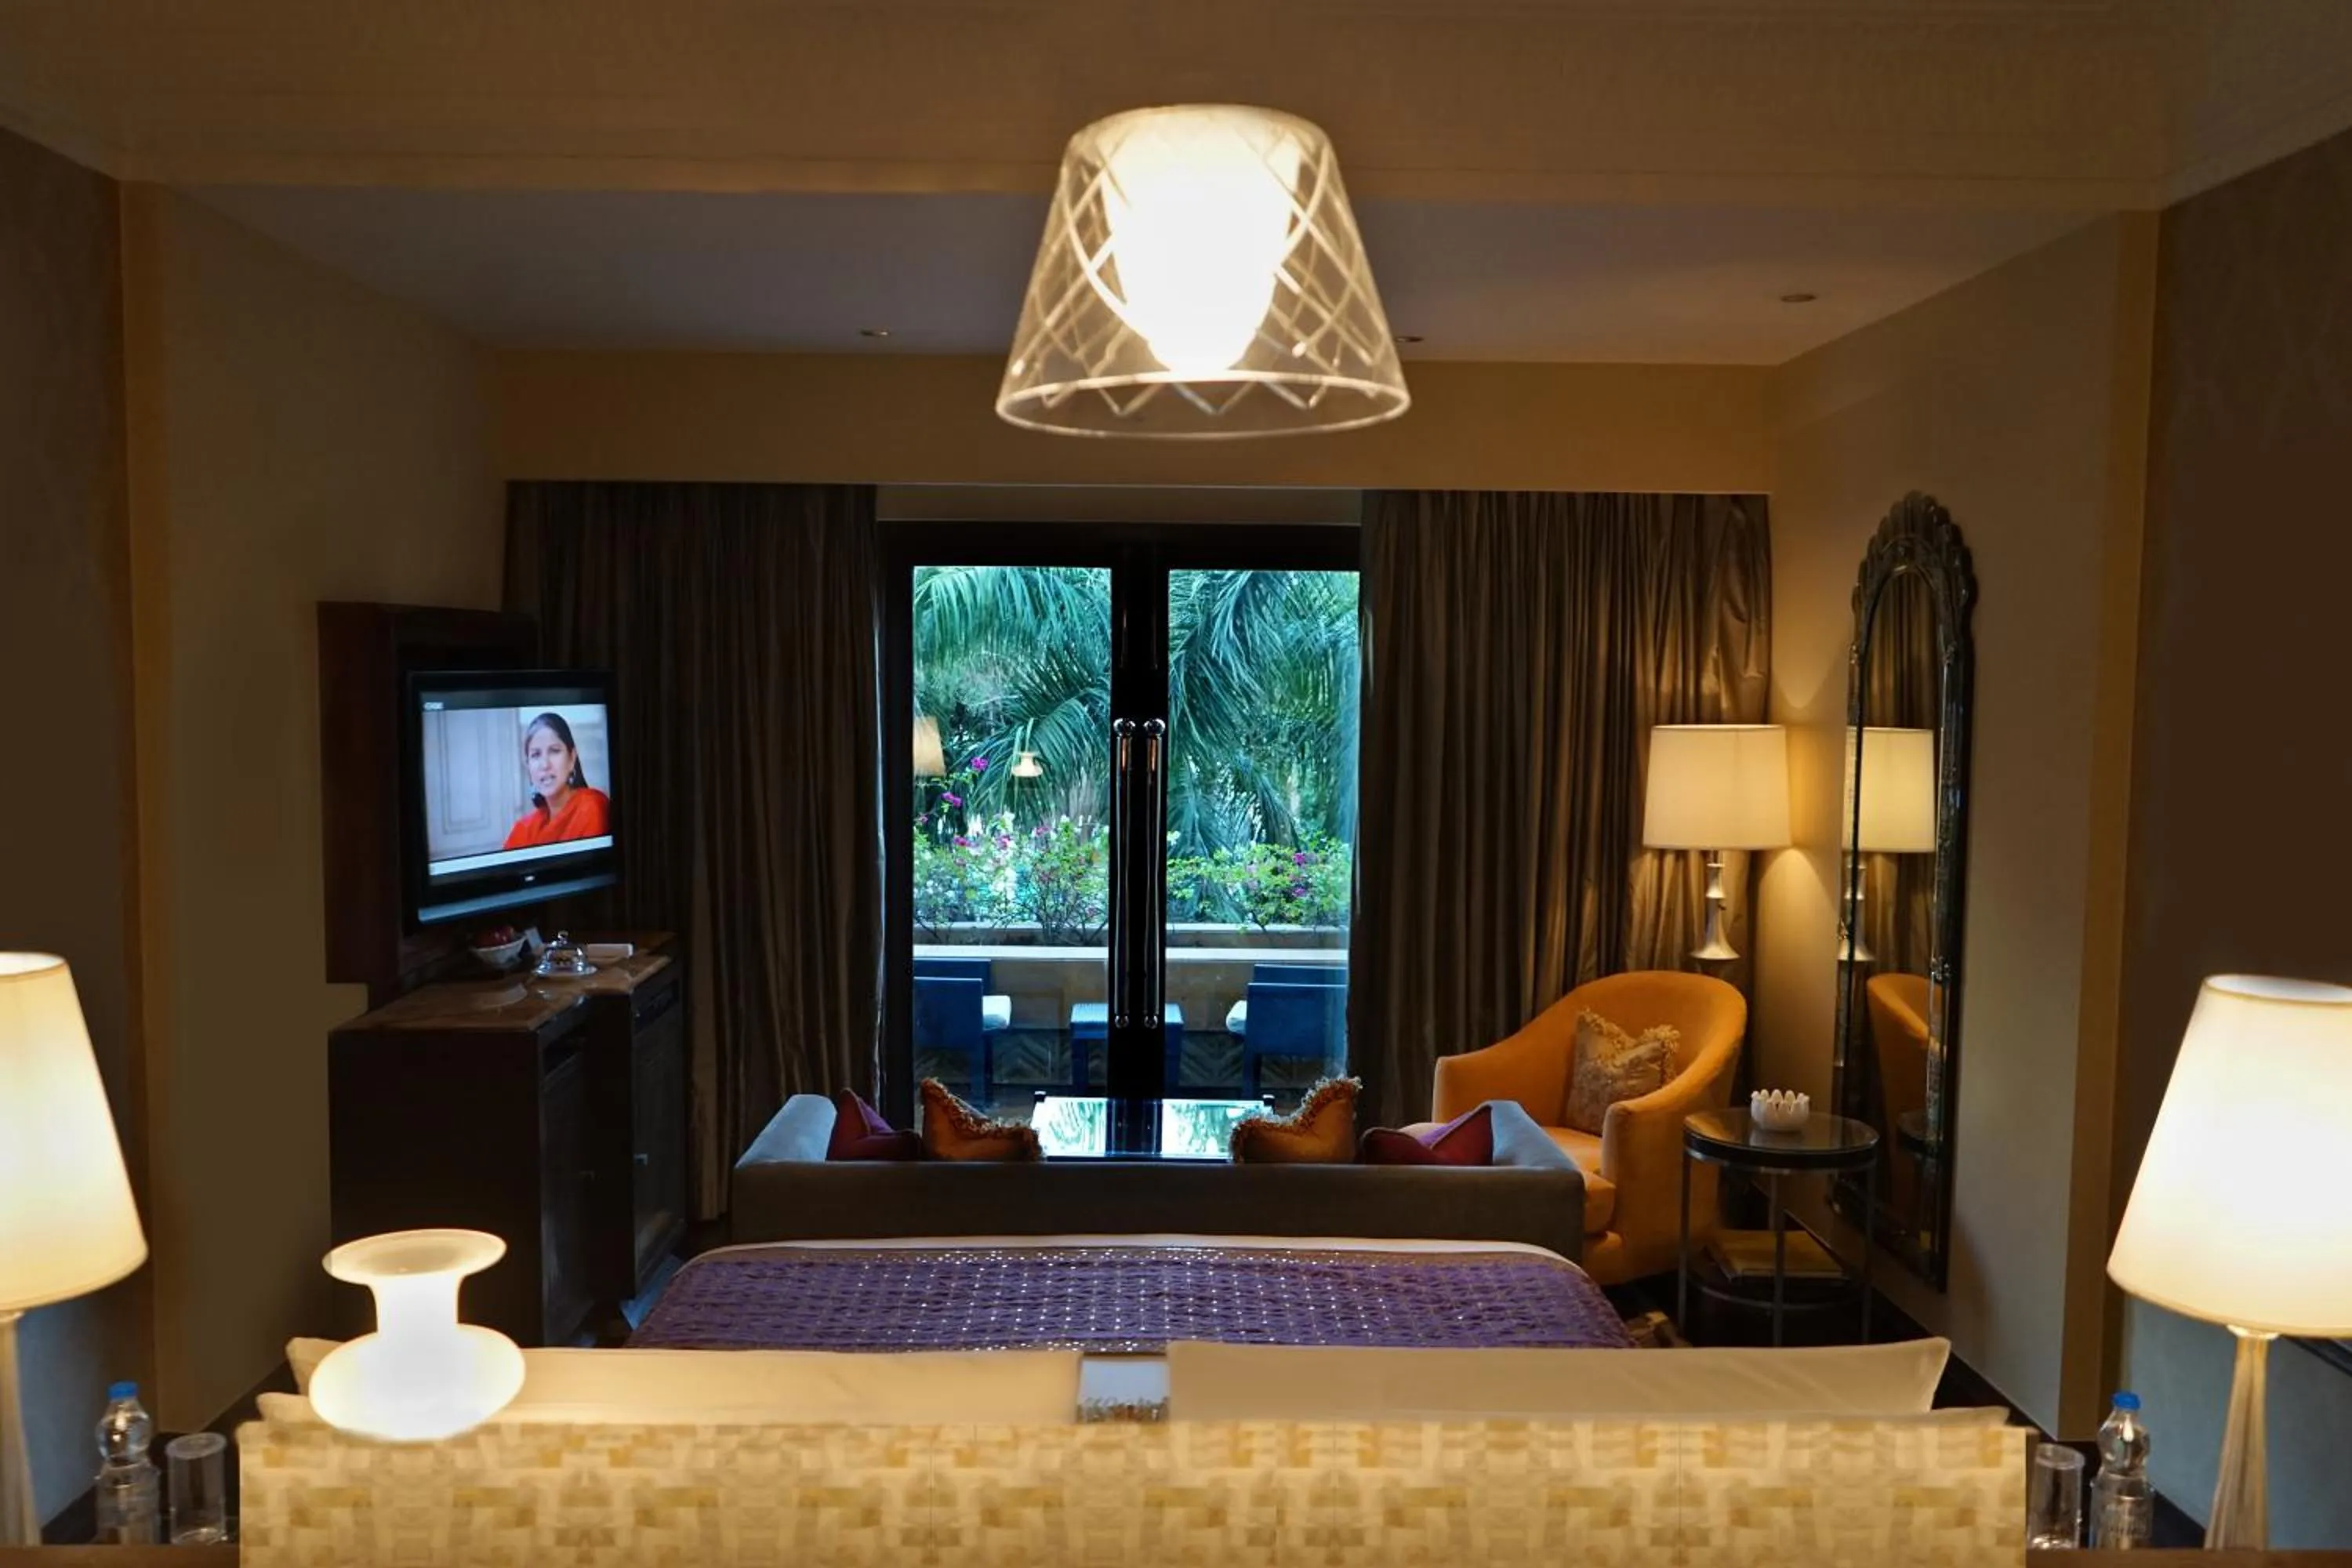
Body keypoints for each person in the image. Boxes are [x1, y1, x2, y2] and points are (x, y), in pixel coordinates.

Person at [502, 712, 612, 849]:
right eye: (536, 755)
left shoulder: (592, 808)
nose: (545, 764)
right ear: (528, 766)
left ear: (572, 758)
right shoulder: (524, 829)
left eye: (554, 751)